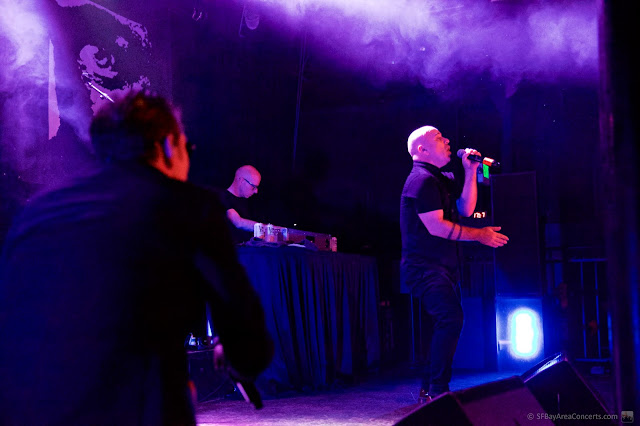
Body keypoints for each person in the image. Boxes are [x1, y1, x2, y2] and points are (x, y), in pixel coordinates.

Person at [0, 90, 273, 425]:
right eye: (187, 147)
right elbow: (251, 342)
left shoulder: (39, 210)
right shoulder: (190, 205)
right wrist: (234, 354)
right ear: (169, 146)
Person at [399, 125, 508, 402]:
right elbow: (436, 227)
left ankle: (429, 387)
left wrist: (471, 171)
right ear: (422, 150)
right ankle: (438, 390)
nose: (447, 140)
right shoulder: (420, 181)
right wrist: (479, 236)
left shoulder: (439, 178)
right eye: (438, 137)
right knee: (450, 318)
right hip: (424, 267)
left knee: (443, 322)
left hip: (442, 266)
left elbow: (465, 209)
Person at [217, 165, 262, 244]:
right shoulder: (223, 197)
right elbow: (238, 223)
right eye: (253, 187)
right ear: (241, 181)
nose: (256, 191)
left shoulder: (246, 201)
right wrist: (267, 228)